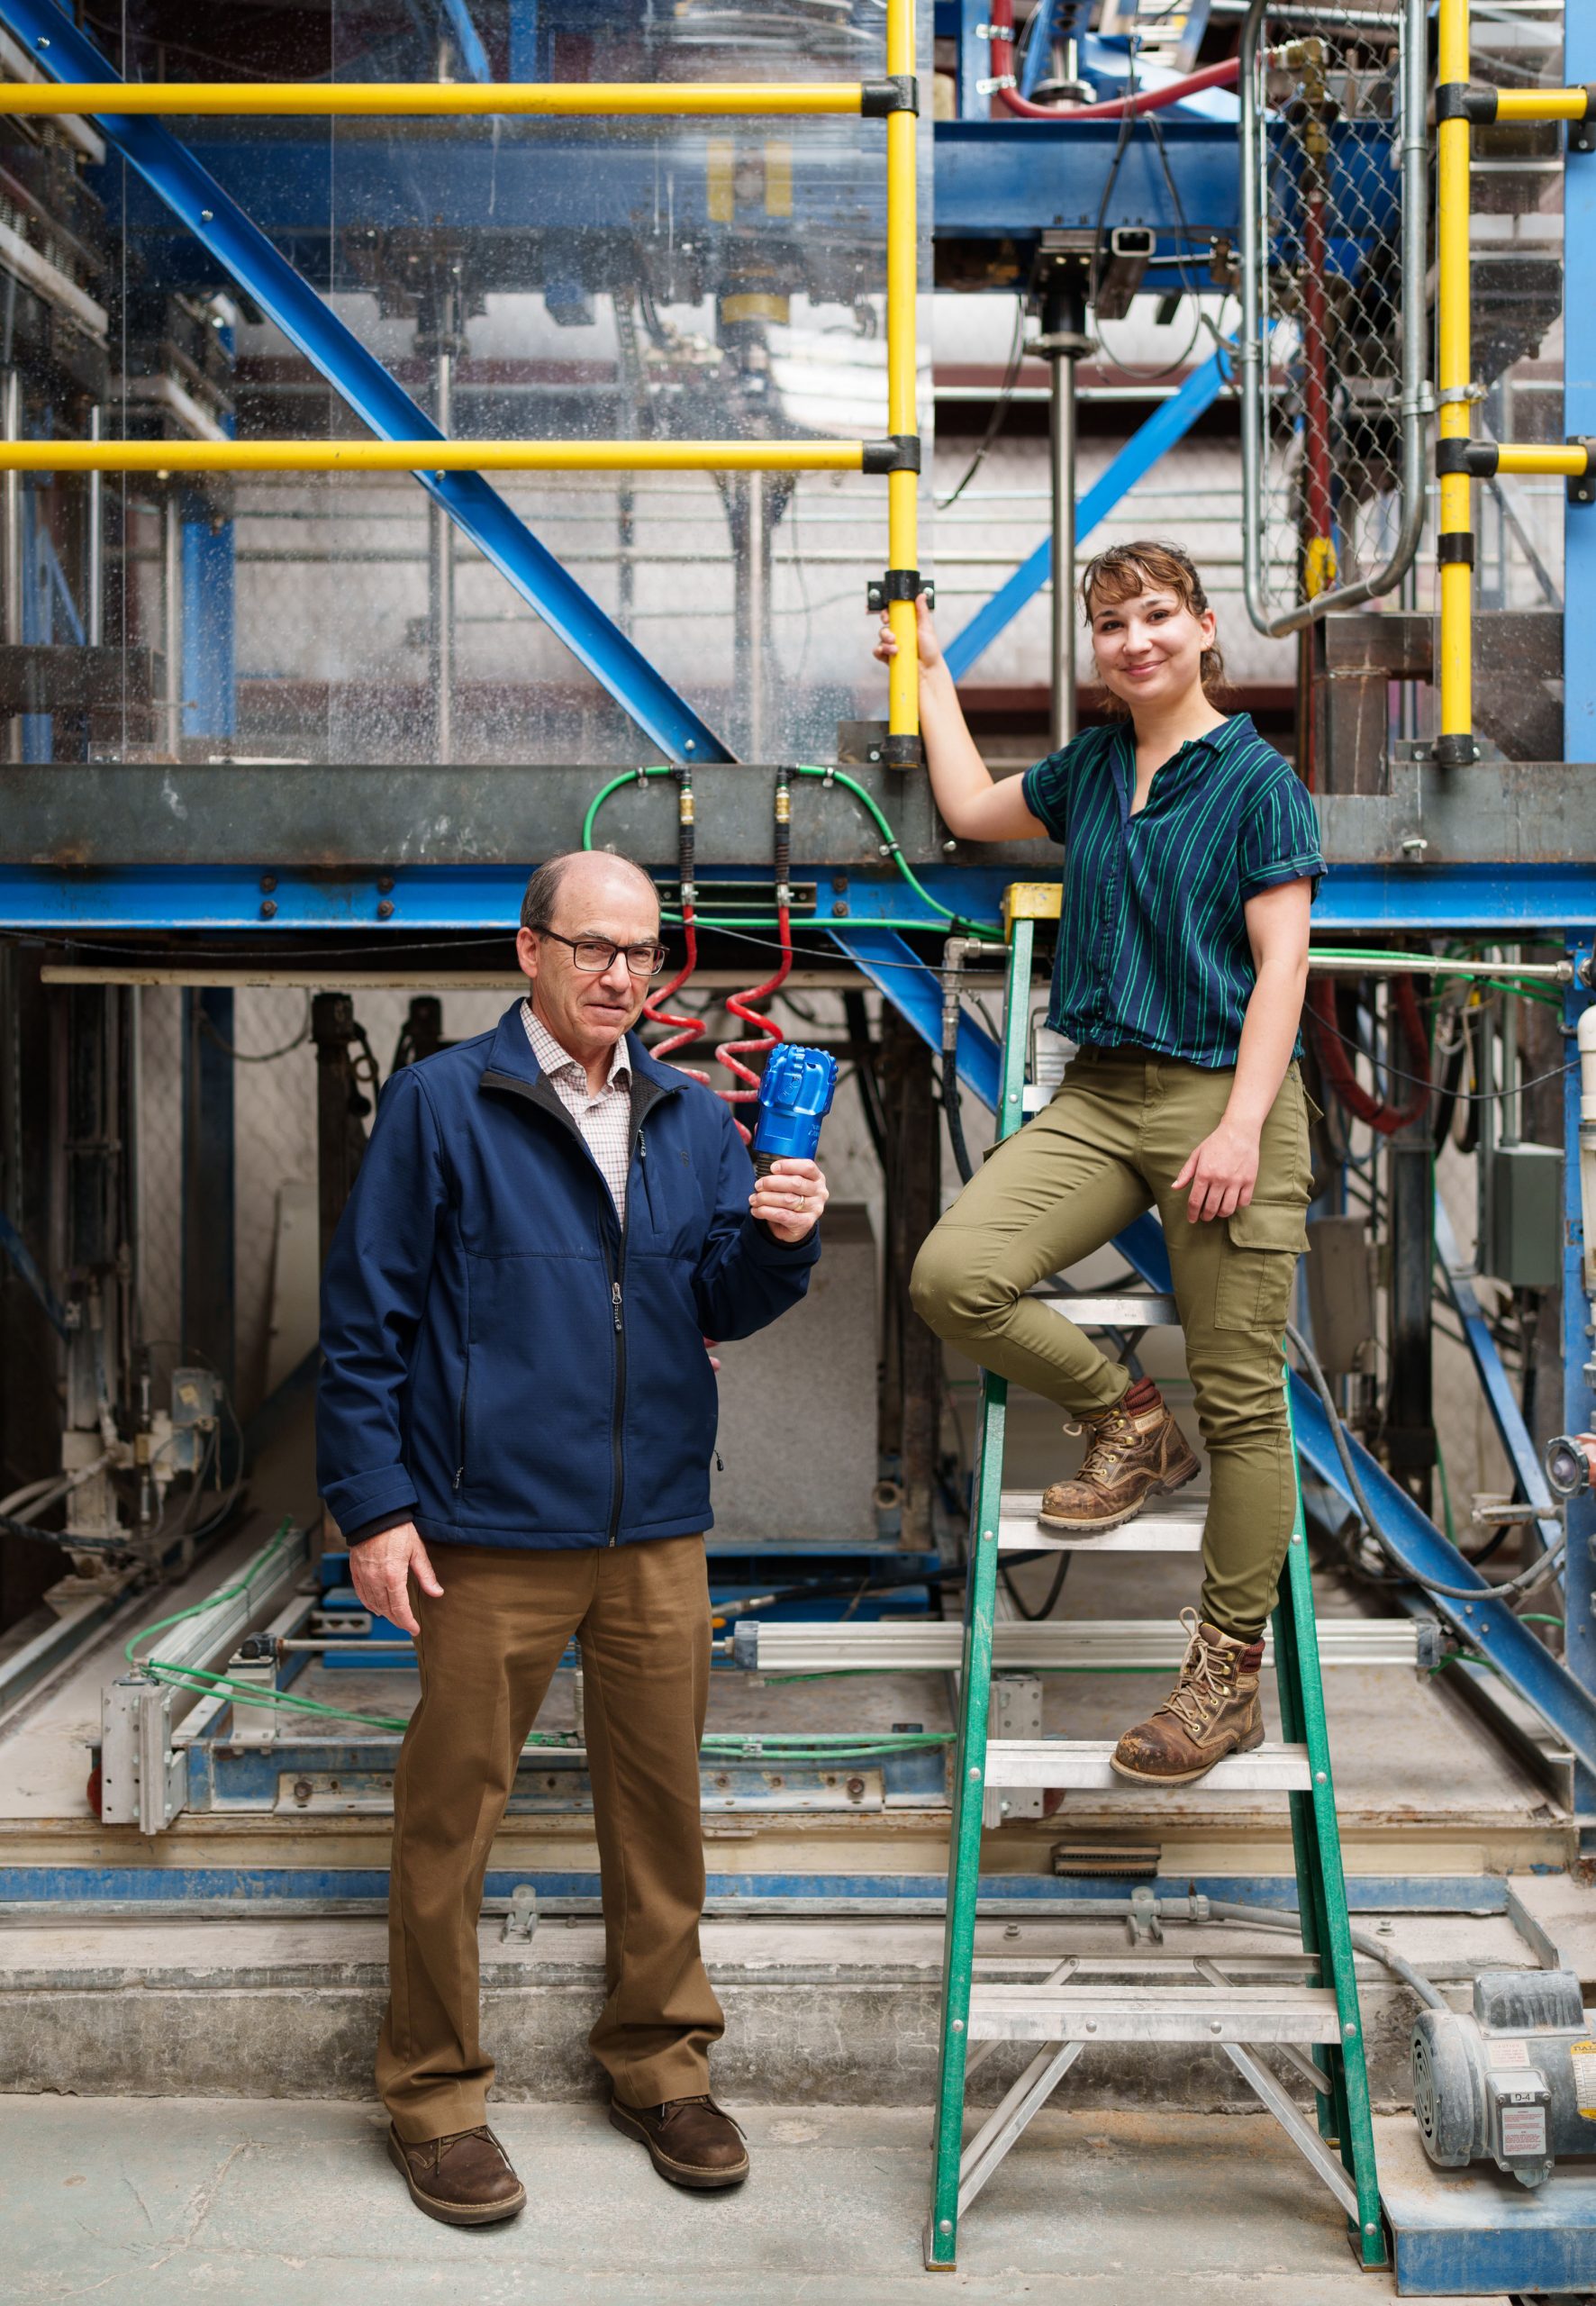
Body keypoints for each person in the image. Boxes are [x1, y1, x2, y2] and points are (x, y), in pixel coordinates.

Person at [317, 849, 829, 2225]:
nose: (620, 976)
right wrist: (374, 1506)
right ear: (527, 953)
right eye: (593, 948)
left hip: (656, 1529)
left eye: (642, 954)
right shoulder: (445, 1104)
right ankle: (435, 2096)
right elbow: (366, 1320)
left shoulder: (691, 1115)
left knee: (659, 1817)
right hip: (486, 1531)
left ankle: (660, 2066)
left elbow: (715, 1298)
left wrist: (782, 1237)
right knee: (450, 1820)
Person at [888, 540, 1322, 1788]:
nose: (1134, 641)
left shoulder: (1256, 784)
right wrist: (931, 672)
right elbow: (973, 814)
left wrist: (1240, 1125)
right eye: (1112, 625)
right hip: (1101, 1094)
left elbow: (1282, 968)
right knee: (953, 1274)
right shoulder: (1091, 768)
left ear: (1201, 628)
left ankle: (1221, 1680)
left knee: (1243, 1403)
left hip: (1218, 1099)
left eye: (1156, 617)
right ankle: (1129, 1421)